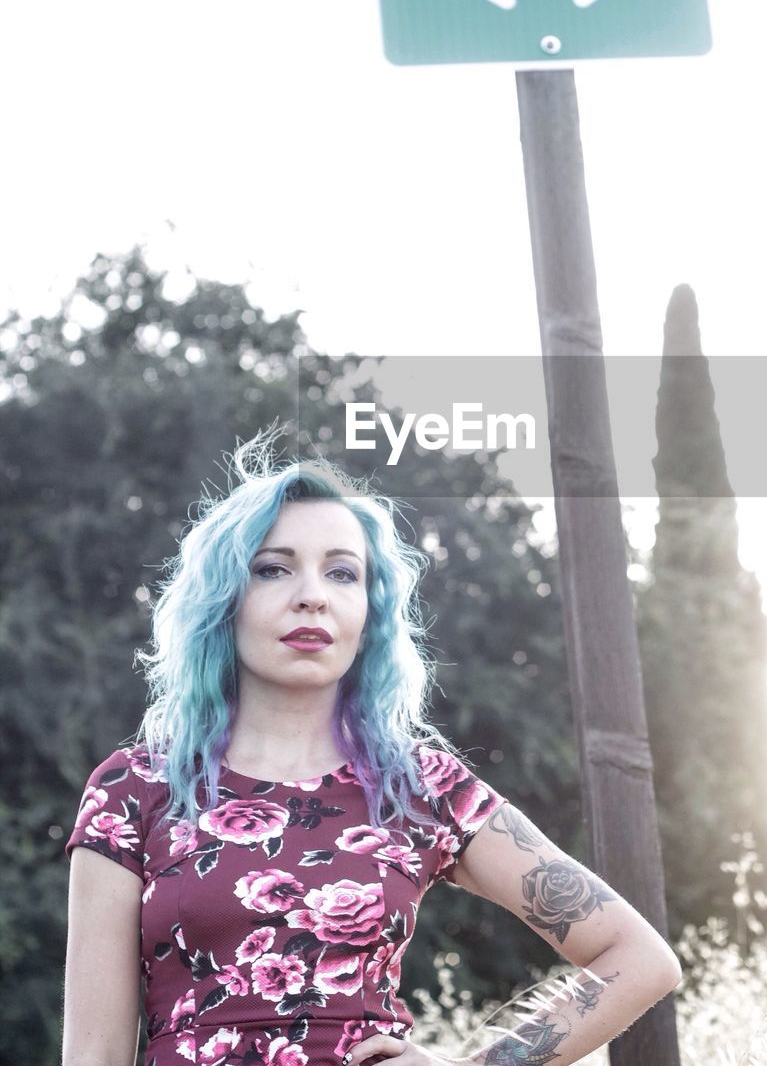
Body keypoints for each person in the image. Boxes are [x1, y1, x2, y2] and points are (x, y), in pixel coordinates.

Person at [62, 438, 681, 1066]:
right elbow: (93, 1053)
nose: (313, 595)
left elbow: (639, 959)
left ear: (370, 609)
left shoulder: (419, 784)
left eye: (342, 573)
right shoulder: (133, 788)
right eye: (273, 568)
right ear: (224, 598)